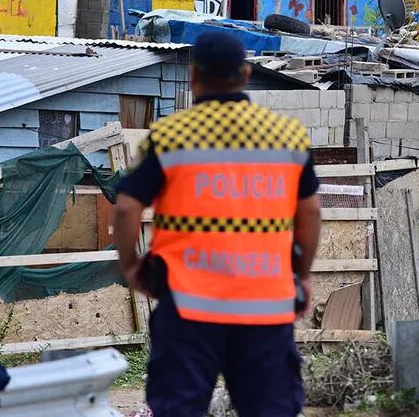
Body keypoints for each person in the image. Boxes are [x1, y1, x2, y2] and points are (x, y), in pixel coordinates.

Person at [113, 31, 322, 417]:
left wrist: (130, 266)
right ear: (245, 75)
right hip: (265, 309)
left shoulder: (170, 137)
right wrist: (302, 275)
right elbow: (309, 212)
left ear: (193, 77)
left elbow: (127, 207)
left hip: (189, 312)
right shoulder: (288, 137)